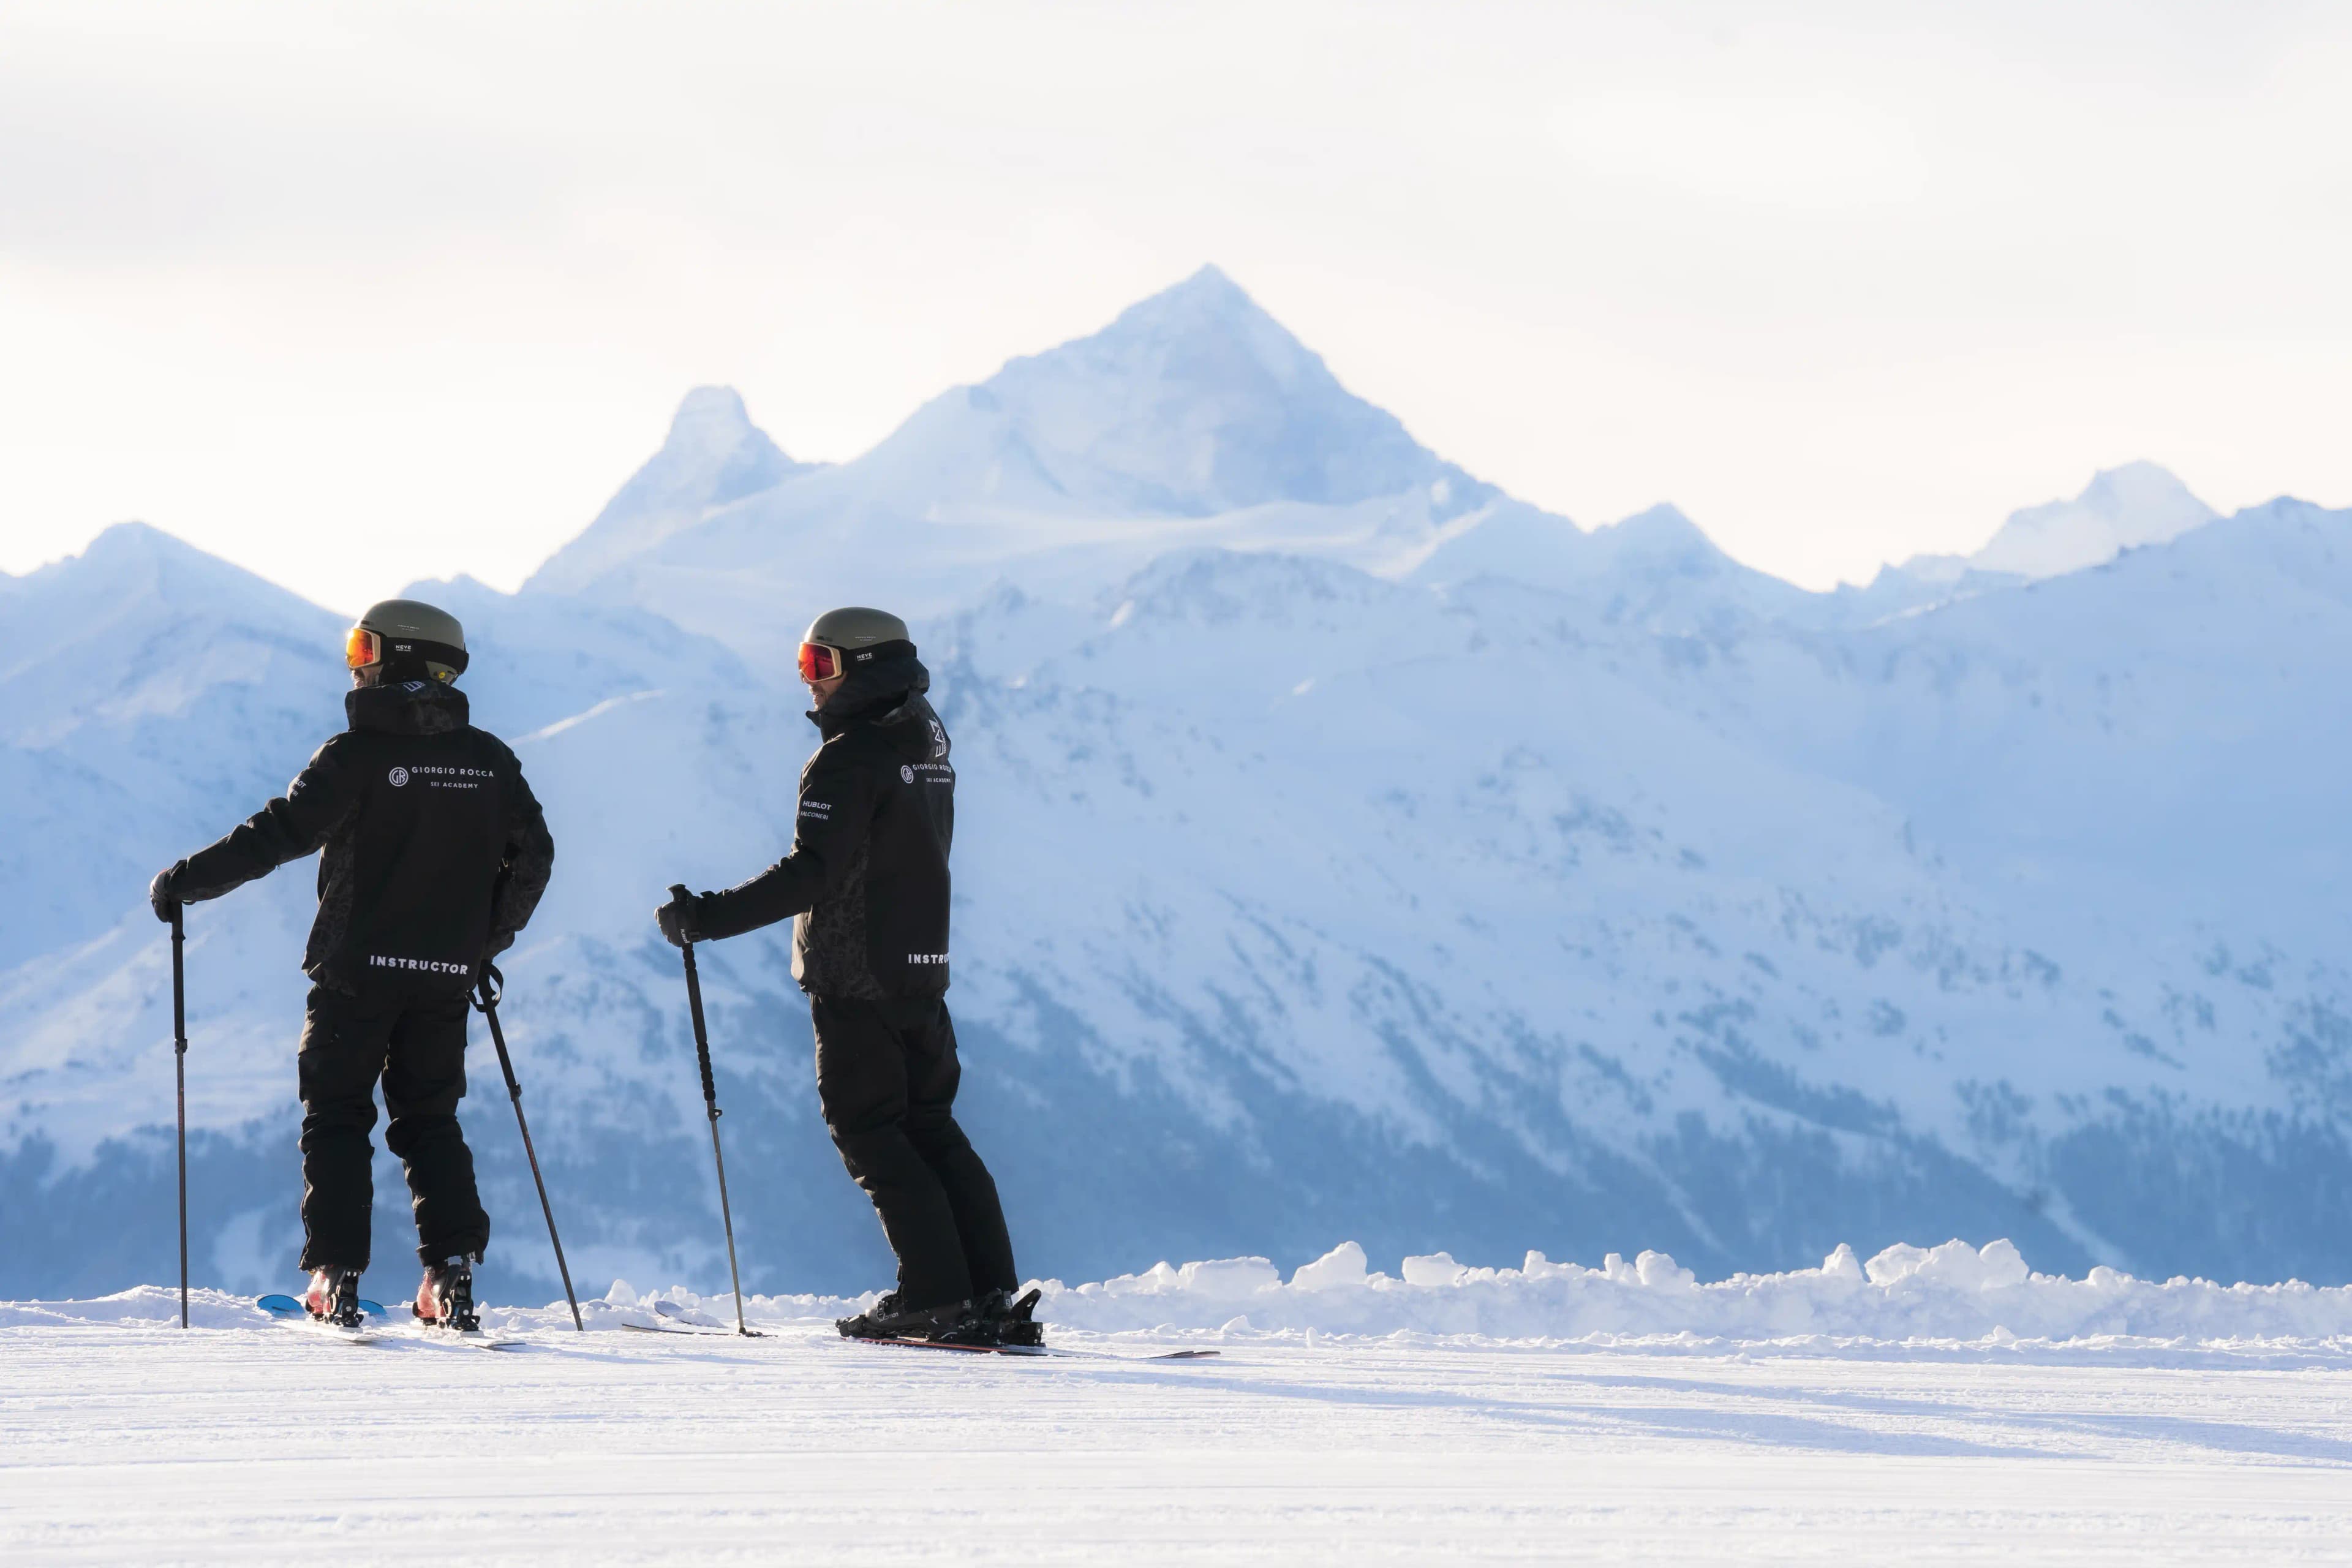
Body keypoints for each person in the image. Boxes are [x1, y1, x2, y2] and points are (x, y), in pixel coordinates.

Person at [148, 599, 554, 1330]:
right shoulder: (490, 761)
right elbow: (535, 859)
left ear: (399, 660)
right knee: (431, 1118)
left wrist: (186, 881)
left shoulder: (355, 757)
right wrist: (483, 941)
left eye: (364, 648)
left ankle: (335, 1274)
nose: (356, 664)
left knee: (336, 1116)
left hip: (353, 975)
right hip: (443, 980)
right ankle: (450, 1274)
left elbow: (277, 834)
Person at [654, 607, 1035, 1346]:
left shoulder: (850, 756)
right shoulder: (925, 741)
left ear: (861, 669)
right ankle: (987, 1291)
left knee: (871, 1130)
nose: (808, 681)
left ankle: (934, 1296)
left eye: (819, 664)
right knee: (932, 1128)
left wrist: (706, 917)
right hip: (922, 970)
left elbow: (813, 874)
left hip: (858, 978)